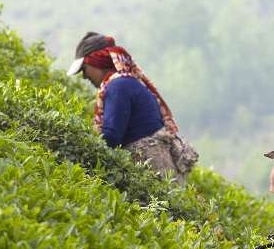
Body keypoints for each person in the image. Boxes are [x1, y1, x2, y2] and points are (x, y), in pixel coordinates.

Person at [67, 32, 198, 184]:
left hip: (153, 167)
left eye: (84, 69)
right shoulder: (126, 82)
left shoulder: (118, 86)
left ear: (97, 61)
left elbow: (111, 137)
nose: (84, 76)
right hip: (161, 166)